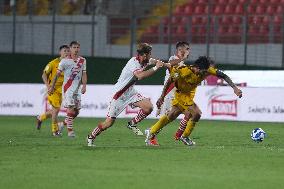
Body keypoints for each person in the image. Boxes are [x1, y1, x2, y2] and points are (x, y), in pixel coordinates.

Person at [145, 56, 243, 147]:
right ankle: (185, 136)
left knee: (171, 116)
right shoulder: (183, 71)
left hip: (189, 95)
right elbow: (169, 81)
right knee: (196, 113)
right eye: (202, 71)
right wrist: (162, 96)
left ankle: (151, 131)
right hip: (181, 94)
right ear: (196, 67)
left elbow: (223, 75)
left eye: (205, 72)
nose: (204, 74)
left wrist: (235, 88)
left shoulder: (206, 70)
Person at [86, 43, 166, 147]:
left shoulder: (145, 60)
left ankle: (132, 123)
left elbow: (154, 61)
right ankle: (91, 136)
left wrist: (166, 64)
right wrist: (156, 68)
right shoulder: (133, 62)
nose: (151, 56)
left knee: (148, 107)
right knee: (108, 123)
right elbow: (140, 76)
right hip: (119, 95)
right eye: (150, 54)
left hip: (130, 92)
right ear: (145, 55)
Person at [49, 41, 87, 137]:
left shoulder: (82, 60)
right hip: (68, 88)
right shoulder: (64, 61)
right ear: (70, 48)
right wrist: (52, 87)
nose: (76, 49)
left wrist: (84, 85)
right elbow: (56, 75)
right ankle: (70, 132)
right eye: (74, 47)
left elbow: (84, 73)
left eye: (78, 47)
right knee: (70, 109)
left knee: (76, 112)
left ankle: (62, 124)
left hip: (77, 89)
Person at [156, 41, 192, 142]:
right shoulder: (173, 59)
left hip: (177, 96)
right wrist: (162, 97)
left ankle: (180, 135)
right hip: (169, 95)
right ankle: (150, 134)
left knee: (189, 113)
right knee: (164, 120)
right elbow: (169, 64)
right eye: (187, 49)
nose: (189, 51)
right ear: (180, 50)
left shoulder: (181, 63)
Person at [36, 44, 70, 136]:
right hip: (53, 90)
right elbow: (44, 74)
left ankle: (40, 118)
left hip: (61, 91)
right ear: (60, 52)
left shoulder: (69, 64)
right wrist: (48, 86)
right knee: (56, 110)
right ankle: (55, 131)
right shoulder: (53, 63)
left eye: (68, 51)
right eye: (64, 51)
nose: (66, 53)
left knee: (55, 111)